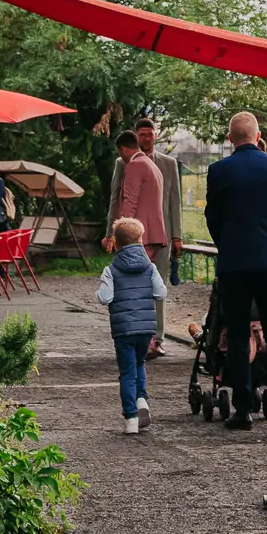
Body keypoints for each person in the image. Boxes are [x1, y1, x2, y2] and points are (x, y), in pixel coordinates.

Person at [204, 110, 267, 432]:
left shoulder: (218, 171)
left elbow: (212, 217)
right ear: (258, 137)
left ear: (230, 138)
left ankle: (243, 409)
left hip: (234, 263)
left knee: (240, 335)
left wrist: (227, 244)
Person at [106, 118, 183, 357]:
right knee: (143, 285)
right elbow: (116, 197)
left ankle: (153, 338)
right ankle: (142, 337)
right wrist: (110, 230)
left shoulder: (164, 164)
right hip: (145, 235)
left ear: (155, 136)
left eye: (150, 134)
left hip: (152, 235)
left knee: (149, 285)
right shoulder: (126, 163)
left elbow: (173, 201)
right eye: (142, 134)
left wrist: (177, 236)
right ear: (136, 136)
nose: (147, 138)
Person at [96, 216, 168, 434]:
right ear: (141, 241)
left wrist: (99, 291)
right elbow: (161, 293)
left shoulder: (111, 270)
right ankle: (141, 400)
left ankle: (131, 420)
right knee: (139, 364)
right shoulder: (151, 268)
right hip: (146, 329)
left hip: (123, 330)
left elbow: (105, 298)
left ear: (116, 243)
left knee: (127, 372)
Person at [103, 131, 166, 260]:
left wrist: (120, 233)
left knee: (133, 276)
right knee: (144, 275)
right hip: (153, 233)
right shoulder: (151, 165)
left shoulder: (135, 165)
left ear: (123, 149)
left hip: (138, 236)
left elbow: (130, 201)